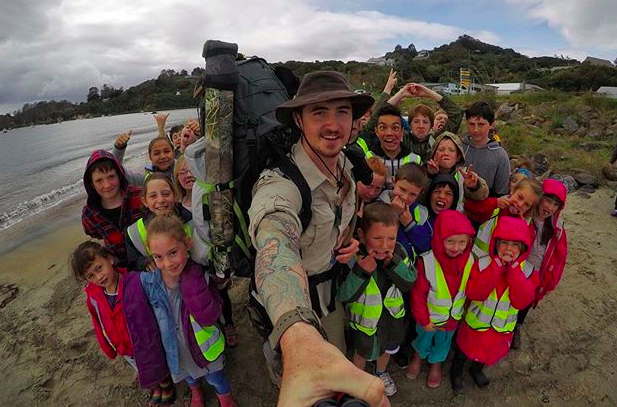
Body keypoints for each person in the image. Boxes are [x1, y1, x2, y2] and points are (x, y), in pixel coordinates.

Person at [247, 71, 389, 407]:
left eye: (342, 111)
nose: (333, 124)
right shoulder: (280, 184)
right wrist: (296, 335)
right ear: (298, 119)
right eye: (318, 112)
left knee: (336, 359)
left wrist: (351, 240)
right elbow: (274, 239)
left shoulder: (345, 164)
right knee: (295, 376)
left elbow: (343, 217)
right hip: (295, 305)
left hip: (333, 294)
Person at [141, 214, 237, 407]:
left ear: (188, 243)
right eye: (158, 257)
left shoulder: (200, 275)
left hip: (203, 346)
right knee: (188, 375)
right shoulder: (151, 283)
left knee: (216, 377)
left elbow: (212, 311)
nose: (168, 263)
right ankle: (196, 392)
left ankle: (225, 398)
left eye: (173, 252)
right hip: (175, 346)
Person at [70, 241, 174, 405]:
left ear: (110, 259)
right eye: (90, 276)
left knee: (156, 365)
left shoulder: (136, 282)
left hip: (146, 340)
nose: (99, 277)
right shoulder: (93, 296)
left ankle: (166, 384)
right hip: (123, 346)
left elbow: (158, 309)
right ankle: (155, 387)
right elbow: (97, 322)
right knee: (140, 368)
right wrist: (107, 346)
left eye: (99, 268)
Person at [450, 216, 538, 392]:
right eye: (504, 242)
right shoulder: (482, 264)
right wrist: (497, 267)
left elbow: (521, 302)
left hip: (499, 330)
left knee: (487, 354)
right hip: (475, 326)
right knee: (463, 352)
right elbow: (475, 293)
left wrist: (513, 271)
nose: (509, 249)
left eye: (515, 244)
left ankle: (476, 370)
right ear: (496, 243)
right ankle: (456, 373)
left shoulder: (528, 272)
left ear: (523, 248)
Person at [338, 202, 416, 397]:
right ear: (362, 236)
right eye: (377, 238)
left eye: (391, 238)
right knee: (361, 351)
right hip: (364, 322)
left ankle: (381, 372)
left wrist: (393, 263)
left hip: (392, 319)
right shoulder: (354, 257)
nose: (384, 245)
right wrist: (361, 272)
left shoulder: (399, 252)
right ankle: (358, 380)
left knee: (388, 348)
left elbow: (409, 282)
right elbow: (344, 295)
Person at [408, 210, 475, 388]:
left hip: (452, 318)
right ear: (439, 238)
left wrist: (463, 313)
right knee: (423, 338)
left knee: (443, 342)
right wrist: (423, 320)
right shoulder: (427, 261)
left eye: (462, 242)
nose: (456, 247)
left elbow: (470, 290)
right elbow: (418, 294)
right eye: (450, 241)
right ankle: (418, 356)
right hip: (428, 318)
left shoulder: (470, 260)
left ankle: (436, 362)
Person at [512, 179, 568, 349]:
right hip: (519, 269)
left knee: (527, 301)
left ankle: (517, 327)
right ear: (539, 198)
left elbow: (560, 257)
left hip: (537, 272)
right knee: (512, 299)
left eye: (556, 205)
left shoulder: (557, 228)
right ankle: (507, 326)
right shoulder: (524, 216)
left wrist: (551, 280)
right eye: (548, 200)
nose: (550, 208)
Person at [125, 173, 206, 270]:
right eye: (153, 196)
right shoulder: (134, 233)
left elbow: (203, 257)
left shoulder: (192, 222)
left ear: (175, 196)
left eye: (166, 194)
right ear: (145, 201)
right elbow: (132, 265)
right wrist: (145, 262)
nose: (160, 200)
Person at [81, 149, 143, 267]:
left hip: (149, 262)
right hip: (119, 270)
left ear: (119, 175)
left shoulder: (140, 197)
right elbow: (94, 233)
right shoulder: (89, 214)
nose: (107, 185)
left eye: (111, 177)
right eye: (99, 180)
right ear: (92, 184)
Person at [466, 177, 543, 259]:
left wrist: (521, 229)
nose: (520, 204)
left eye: (526, 204)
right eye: (520, 197)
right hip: (477, 263)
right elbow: (470, 207)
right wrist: (495, 203)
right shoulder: (495, 208)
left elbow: (523, 254)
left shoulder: (527, 226)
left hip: (501, 270)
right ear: (512, 191)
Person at [387, 83, 463, 162]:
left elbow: (456, 114)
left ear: (431, 125)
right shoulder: (400, 138)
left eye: (425, 122)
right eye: (416, 121)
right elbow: (379, 115)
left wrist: (428, 93)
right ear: (409, 124)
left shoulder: (437, 140)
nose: (421, 126)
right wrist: (401, 94)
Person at [355, 104, 421, 189]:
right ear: (376, 131)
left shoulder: (415, 160)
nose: (389, 133)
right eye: (383, 127)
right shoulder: (366, 159)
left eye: (395, 127)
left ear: (402, 131)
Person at [425, 132, 489, 211]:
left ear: (458, 156)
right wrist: (429, 175)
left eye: (451, 150)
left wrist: (474, 186)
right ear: (434, 153)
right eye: (441, 149)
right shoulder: (424, 171)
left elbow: (483, 195)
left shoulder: (464, 175)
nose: (446, 153)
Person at [461, 101, 510, 197]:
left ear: (491, 124)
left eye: (481, 124)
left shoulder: (500, 156)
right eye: (471, 124)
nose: (475, 130)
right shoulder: (458, 147)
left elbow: (501, 194)